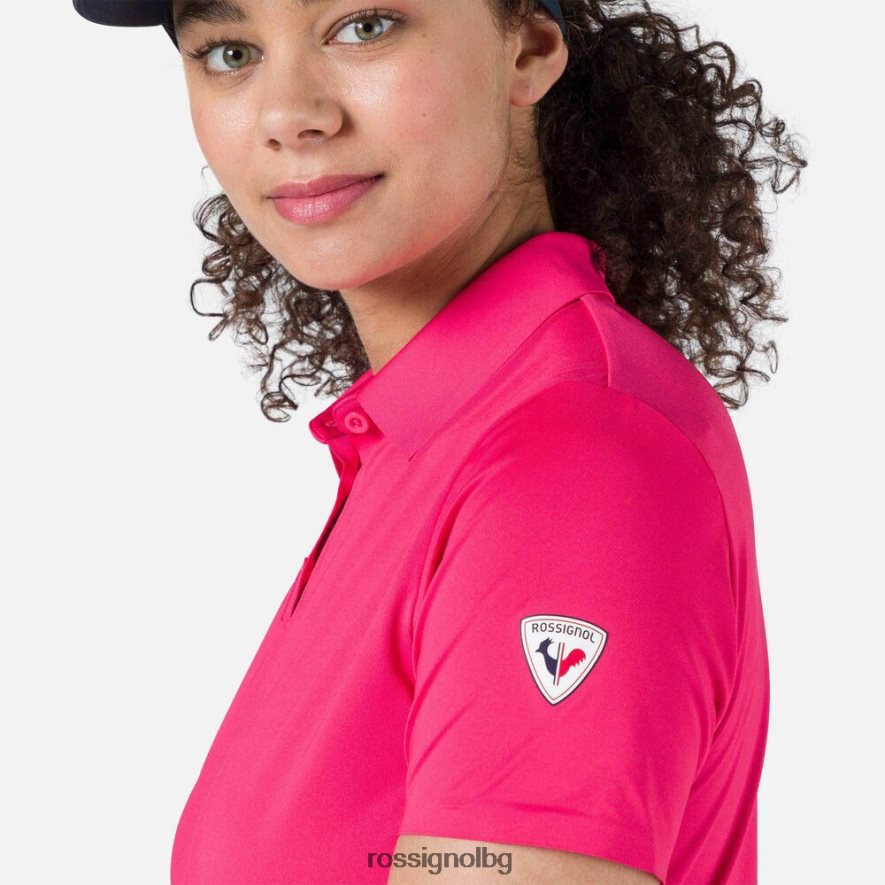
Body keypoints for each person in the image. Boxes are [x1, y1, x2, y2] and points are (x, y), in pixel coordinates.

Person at [72, 1, 807, 882]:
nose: (288, 113)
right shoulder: (447, 435)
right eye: (230, 51)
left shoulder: (566, 461)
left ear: (526, 48)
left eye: (364, 25)